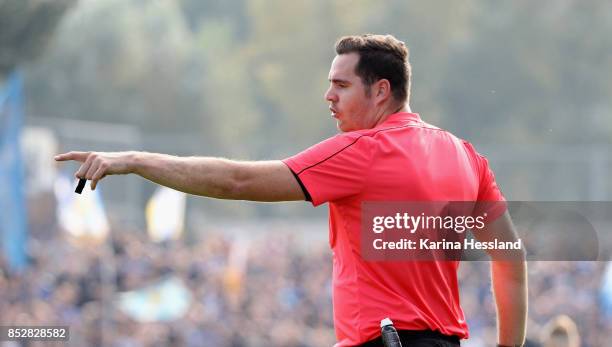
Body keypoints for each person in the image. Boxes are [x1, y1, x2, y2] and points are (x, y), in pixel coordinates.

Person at [55, 34, 527, 347]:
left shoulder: (361, 150)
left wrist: (134, 161)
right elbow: (510, 258)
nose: (329, 97)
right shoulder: (466, 155)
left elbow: (236, 181)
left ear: (381, 91)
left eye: (341, 86)